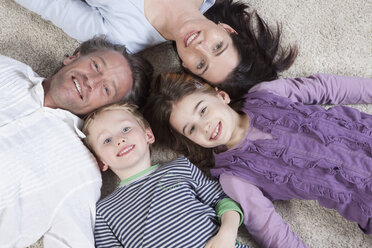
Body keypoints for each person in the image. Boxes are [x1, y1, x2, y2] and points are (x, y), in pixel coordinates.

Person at [143, 72, 372, 242]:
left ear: (221, 95)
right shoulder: (233, 178)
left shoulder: (265, 94)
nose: (205, 126)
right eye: (191, 129)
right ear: (190, 141)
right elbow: (271, 231)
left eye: (203, 110)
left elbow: (326, 87)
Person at [0, 37, 152, 247]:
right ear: (73, 57)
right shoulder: (6, 68)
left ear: (104, 110)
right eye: (96, 65)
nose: (92, 80)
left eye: (106, 89)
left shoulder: (81, 173)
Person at [14, 0, 297, 97]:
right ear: (228, 30)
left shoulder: (122, 37)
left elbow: (47, 3)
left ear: (186, 68)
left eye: (201, 64)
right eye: (218, 46)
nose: (199, 47)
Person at [81, 102, 248, 248]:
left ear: (148, 135)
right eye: (107, 140)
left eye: (125, 129)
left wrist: (227, 233)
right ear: (101, 162)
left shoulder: (180, 166)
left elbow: (222, 201)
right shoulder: (103, 212)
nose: (119, 139)